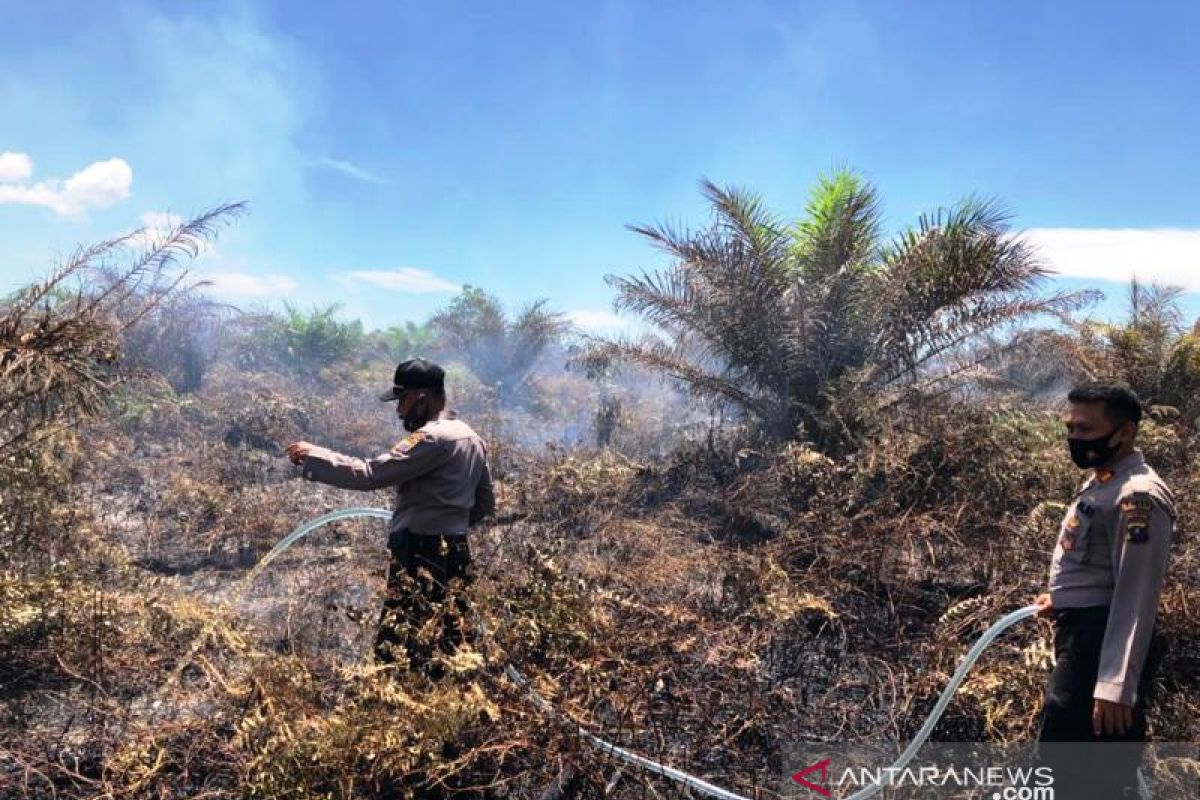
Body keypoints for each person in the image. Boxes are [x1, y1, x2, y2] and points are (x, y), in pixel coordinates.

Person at [285, 358, 495, 679]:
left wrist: (316, 455)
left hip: (419, 554)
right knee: (452, 642)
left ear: (422, 398)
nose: (399, 411)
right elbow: (484, 503)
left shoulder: (432, 438)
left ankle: (393, 711)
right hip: (456, 552)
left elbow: (371, 474)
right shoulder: (471, 437)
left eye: (402, 401)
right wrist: (450, 525)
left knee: (395, 647)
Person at [1031, 382, 1176, 799]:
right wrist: (1062, 598)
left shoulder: (1139, 498)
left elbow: (1135, 596)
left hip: (1102, 645)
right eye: (1070, 428)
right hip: (1081, 634)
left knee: (1088, 775)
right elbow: (1096, 568)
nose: (1075, 438)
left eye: (1086, 429)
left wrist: (1115, 685)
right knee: (1062, 762)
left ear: (1125, 432)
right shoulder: (1105, 481)